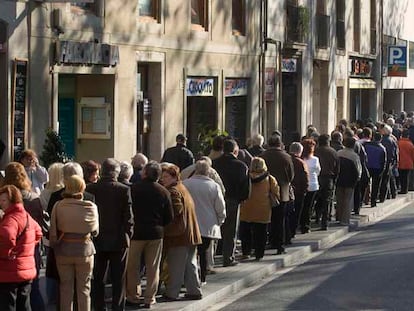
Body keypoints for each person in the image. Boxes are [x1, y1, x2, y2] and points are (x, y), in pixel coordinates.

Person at [86, 158, 134, 311]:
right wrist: (128, 234)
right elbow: (128, 216)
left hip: (97, 239)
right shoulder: (123, 189)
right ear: (117, 173)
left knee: (98, 277)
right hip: (119, 239)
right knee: (118, 278)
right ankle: (117, 307)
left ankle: (99, 306)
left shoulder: (91, 189)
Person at [126, 161, 173, 308]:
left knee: (132, 266)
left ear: (145, 173)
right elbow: (169, 216)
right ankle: (150, 298)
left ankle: (133, 296)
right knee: (153, 267)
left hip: (137, 233)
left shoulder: (133, 189)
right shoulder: (164, 191)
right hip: (156, 233)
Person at [49, 175, 99, 311]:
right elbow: (95, 232)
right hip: (85, 251)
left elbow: (53, 231)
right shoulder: (91, 206)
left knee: (65, 288)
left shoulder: (58, 206)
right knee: (84, 288)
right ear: (82, 187)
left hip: (64, 250)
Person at [2, 162, 46, 310]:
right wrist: (30, 243)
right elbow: (39, 230)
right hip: (29, 251)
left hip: (11, 257)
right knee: (31, 292)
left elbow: (6, 236)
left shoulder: (6, 201)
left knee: (11, 299)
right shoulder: (34, 197)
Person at [160, 164, 203, 300]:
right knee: (190, 264)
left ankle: (172, 292)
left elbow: (176, 210)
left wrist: (166, 224)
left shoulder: (173, 191)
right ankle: (194, 290)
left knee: (176, 265)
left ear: (174, 177)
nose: (163, 179)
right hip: (190, 233)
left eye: (166, 176)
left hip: (179, 234)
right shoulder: (182, 187)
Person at [183, 160, 226, 284]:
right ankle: (202, 278)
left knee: (190, 253)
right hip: (208, 224)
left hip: (190, 223)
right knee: (203, 252)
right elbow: (220, 207)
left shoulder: (186, 184)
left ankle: (190, 278)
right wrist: (220, 220)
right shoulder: (214, 186)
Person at [213, 139, 250, 266]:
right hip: (233, 200)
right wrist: (242, 199)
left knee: (216, 228)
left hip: (216, 199)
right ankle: (228, 257)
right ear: (235, 151)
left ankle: (211, 258)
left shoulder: (214, 163)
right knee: (231, 230)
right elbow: (246, 187)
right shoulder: (241, 166)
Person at [239, 158, 280, 261]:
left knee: (246, 232)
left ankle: (246, 252)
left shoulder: (245, 177)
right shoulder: (270, 179)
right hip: (263, 209)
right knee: (261, 233)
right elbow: (276, 193)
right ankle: (259, 253)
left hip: (246, 208)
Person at [260, 135, 294, 254]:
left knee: (265, 220)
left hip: (265, 191)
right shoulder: (286, 157)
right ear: (280, 144)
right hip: (282, 192)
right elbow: (291, 176)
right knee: (279, 220)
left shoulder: (262, 156)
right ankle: (279, 245)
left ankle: (266, 243)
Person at [314, 134, 340, 230]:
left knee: (316, 199)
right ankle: (325, 222)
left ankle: (317, 217)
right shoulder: (333, 152)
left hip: (318, 177)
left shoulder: (315, 151)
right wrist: (335, 178)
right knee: (327, 200)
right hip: (329, 178)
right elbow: (337, 167)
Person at [336, 137, 362, 225]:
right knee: (347, 200)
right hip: (350, 181)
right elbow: (359, 170)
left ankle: (338, 217)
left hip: (339, 179)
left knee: (339, 199)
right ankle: (345, 220)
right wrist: (357, 179)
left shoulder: (338, 153)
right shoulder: (354, 156)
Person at [300, 139, 320, 234]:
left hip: (302, 185)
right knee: (309, 206)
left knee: (301, 205)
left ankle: (300, 223)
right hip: (313, 184)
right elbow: (318, 171)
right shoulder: (315, 159)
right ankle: (306, 225)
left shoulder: (301, 159)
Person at [289, 142, 309, 237]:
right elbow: (305, 177)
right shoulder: (301, 163)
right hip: (298, 191)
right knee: (296, 212)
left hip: (287, 190)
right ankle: (292, 231)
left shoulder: (287, 159)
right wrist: (305, 189)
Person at [363, 131, 387, 207]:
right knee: (375, 186)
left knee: (364, 184)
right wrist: (382, 170)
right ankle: (373, 202)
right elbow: (384, 161)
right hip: (377, 168)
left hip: (367, 167)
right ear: (380, 139)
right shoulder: (382, 148)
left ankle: (362, 200)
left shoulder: (366, 145)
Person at [397, 129, 414, 194]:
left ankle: (402, 188)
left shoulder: (398, 143)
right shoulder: (410, 144)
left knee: (401, 176)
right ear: (408, 136)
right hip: (408, 163)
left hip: (400, 162)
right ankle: (405, 189)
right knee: (406, 177)